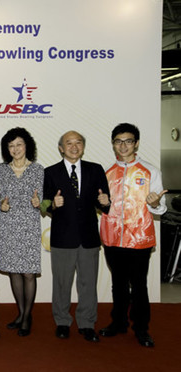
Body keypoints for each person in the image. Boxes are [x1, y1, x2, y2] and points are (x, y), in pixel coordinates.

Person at [99, 123, 166, 348]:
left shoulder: (150, 171)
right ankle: (118, 322)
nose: (123, 145)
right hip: (112, 237)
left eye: (128, 141)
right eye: (119, 141)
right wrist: (102, 205)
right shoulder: (106, 173)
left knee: (139, 285)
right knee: (118, 284)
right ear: (113, 144)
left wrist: (156, 203)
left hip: (139, 239)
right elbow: (102, 206)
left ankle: (141, 328)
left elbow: (160, 207)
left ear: (136, 143)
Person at [41, 130, 111, 342]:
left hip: (89, 236)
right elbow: (43, 203)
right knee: (62, 283)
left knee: (88, 283)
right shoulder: (51, 172)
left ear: (83, 146)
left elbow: (103, 201)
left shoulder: (95, 169)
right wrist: (52, 204)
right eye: (68, 143)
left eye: (78, 142)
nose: (73, 146)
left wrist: (106, 202)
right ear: (61, 148)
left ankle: (87, 323)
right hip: (63, 237)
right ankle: (62, 321)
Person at [0, 127, 43, 337]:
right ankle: (22, 313)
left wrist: (38, 202)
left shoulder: (38, 169)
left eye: (19, 144)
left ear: (27, 146)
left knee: (28, 273)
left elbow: (43, 199)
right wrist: (0, 206)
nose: (15, 149)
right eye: (11, 145)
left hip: (29, 225)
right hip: (8, 225)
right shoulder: (0, 170)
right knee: (14, 271)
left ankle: (26, 317)